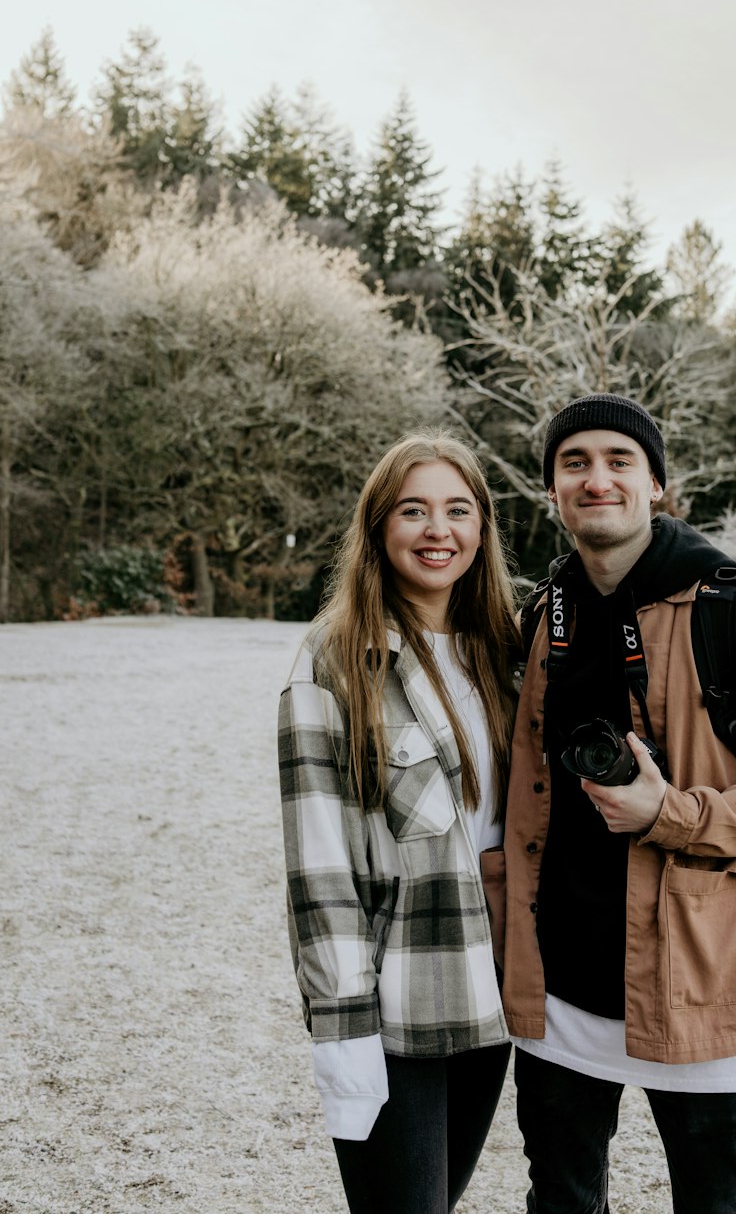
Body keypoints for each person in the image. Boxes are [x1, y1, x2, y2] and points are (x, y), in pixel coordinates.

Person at [501, 394, 736, 1214]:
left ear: (657, 484)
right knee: (560, 1198)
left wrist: (673, 816)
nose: (597, 480)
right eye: (574, 463)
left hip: (698, 984)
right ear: (550, 489)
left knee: (717, 1203)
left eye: (620, 461)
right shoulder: (542, 613)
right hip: (557, 990)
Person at [278, 434, 519, 1214]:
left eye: (458, 510)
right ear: (379, 528)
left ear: (482, 528)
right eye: (413, 511)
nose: (437, 530)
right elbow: (319, 863)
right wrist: (342, 1026)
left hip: (495, 990)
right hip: (395, 999)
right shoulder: (335, 661)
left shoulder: (507, 655)